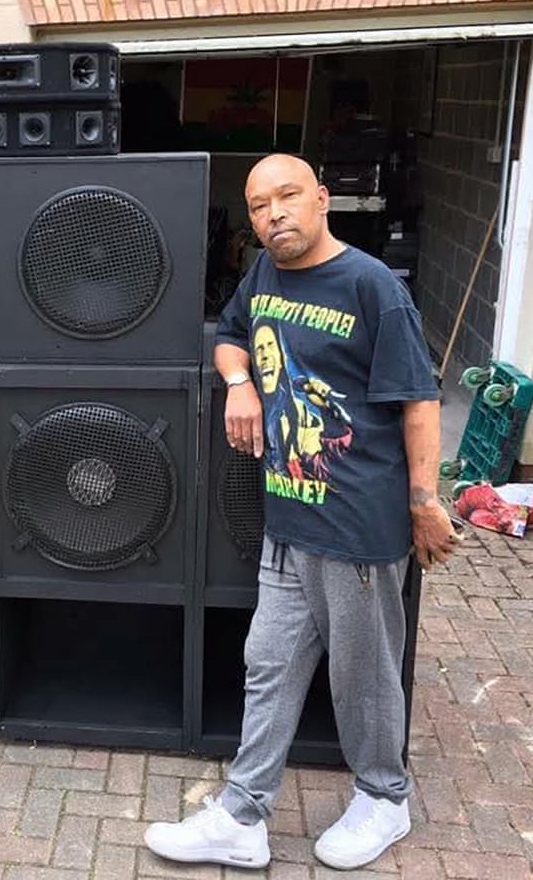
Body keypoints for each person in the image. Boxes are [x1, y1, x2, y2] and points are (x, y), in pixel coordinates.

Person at [144, 154, 460, 871]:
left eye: (287, 197)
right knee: (268, 665)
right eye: (258, 206)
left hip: (357, 527)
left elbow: (418, 400)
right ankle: (243, 815)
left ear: (323, 199)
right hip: (286, 519)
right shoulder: (263, 275)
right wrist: (239, 386)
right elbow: (230, 335)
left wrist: (424, 502)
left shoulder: (373, 287)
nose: (272, 214)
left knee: (364, 674)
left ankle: (384, 798)